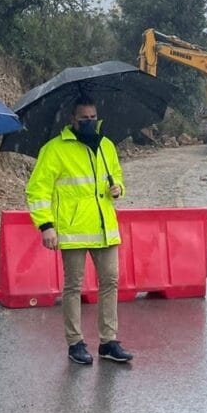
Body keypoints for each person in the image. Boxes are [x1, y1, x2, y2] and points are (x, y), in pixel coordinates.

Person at [27, 97, 133, 365]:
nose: (89, 122)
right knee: (73, 287)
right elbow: (37, 190)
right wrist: (46, 225)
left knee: (111, 282)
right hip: (73, 230)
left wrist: (118, 188)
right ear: (72, 120)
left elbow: (117, 175)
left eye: (93, 116)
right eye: (84, 118)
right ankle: (75, 343)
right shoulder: (55, 150)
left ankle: (108, 341)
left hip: (105, 228)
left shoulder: (106, 145)